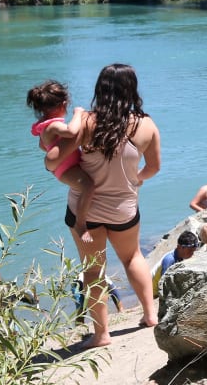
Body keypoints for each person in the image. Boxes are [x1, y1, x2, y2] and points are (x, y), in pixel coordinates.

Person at [66, 63, 161, 349]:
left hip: (86, 210)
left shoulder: (86, 123)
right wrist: (136, 179)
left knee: (93, 270)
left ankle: (101, 335)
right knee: (133, 258)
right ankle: (150, 315)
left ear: (100, 89)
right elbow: (154, 167)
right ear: (132, 88)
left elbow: (58, 157)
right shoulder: (146, 125)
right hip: (124, 209)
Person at [26, 81, 96, 243]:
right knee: (88, 186)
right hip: (66, 168)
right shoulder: (54, 125)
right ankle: (80, 224)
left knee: (86, 186)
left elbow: (43, 146)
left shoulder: (43, 126)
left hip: (63, 166)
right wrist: (78, 113)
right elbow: (72, 131)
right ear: (64, 104)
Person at [152, 230, 199, 296]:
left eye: (193, 251)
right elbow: (164, 282)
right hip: (153, 291)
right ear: (179, 247)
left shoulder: (180, 255)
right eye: (189, 251)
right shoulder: (169, 260)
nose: (192, 254)